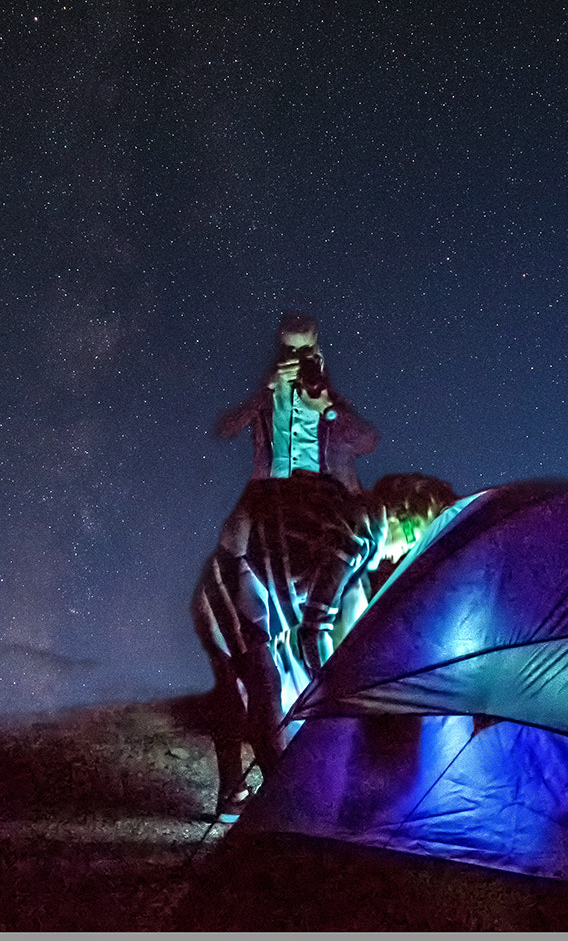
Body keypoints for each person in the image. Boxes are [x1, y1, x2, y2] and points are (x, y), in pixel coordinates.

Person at [190, 470, 370, 823]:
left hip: (231, 587)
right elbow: (313, 628)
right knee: (260, 684)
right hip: (230, 588)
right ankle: (279, 801)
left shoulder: (315, 519)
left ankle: (236, 795)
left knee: (239, 686)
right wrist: (325, 686)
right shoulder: (342, 538)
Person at [303, 472, 461, 672]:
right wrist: (327, 686)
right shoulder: (352, 542)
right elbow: (314, 630)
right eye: (411, 538)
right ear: (395, 515)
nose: (399, 557)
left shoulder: (357, 574)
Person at [213, 312, 379, 494]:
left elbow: (368, 442)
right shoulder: (266, 387)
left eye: (305, 350)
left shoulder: (339, 381)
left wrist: (327, 408)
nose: (298, 357)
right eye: (291, 350)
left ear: (316, 342)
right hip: (275, 503)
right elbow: (224, 429)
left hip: (328, 503)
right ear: (280, 346)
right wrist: (266, 390)